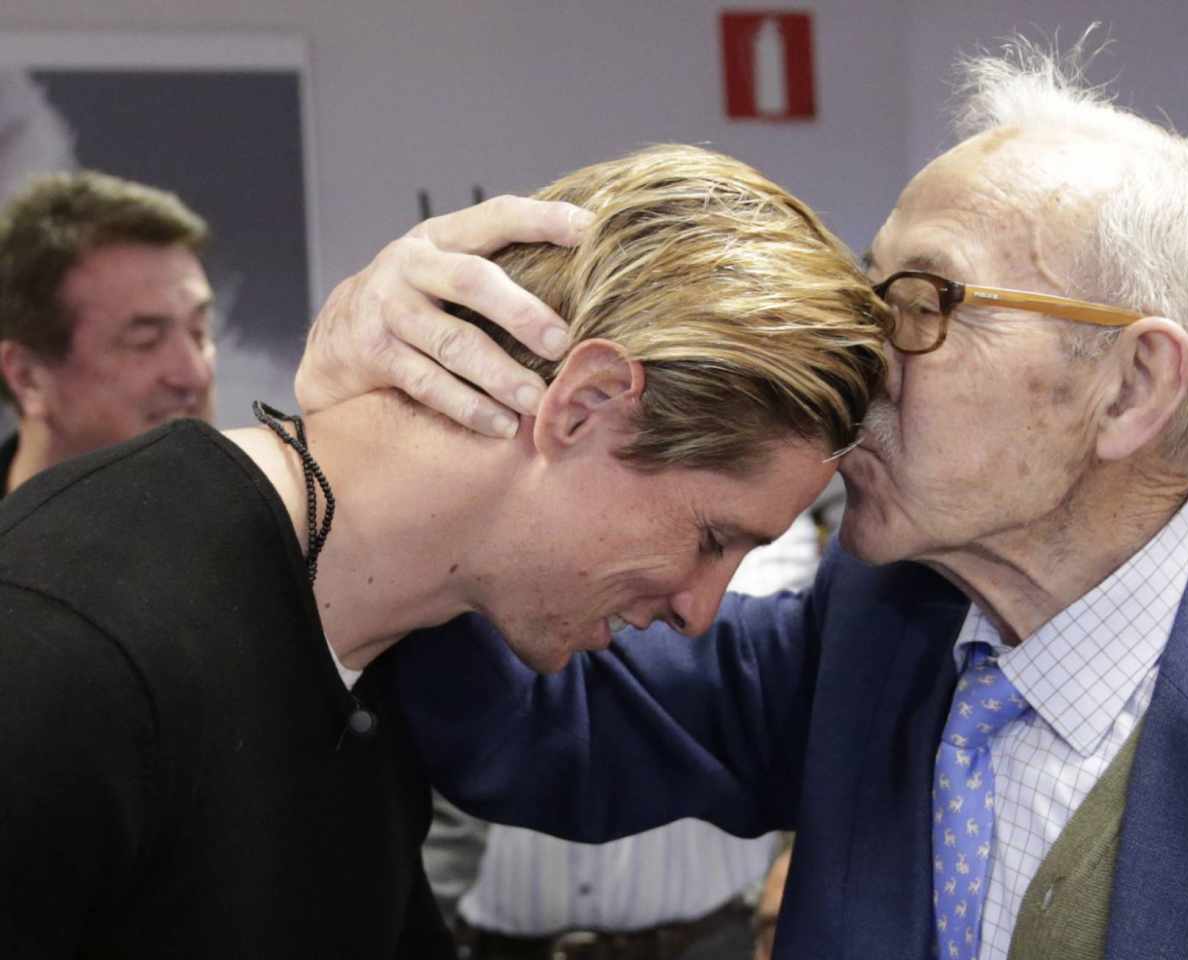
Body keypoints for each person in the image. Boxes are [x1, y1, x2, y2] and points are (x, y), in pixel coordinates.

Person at [297, 38, 1188, 959]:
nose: (858, 356)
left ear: (1130, 386)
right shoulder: (877, 632)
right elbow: (542, 720)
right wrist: (407, 417)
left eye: (920, 303)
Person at [0, 144, 886, 958]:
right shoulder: (63, 648)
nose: (699, 611)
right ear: (584, 403)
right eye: (712, 537)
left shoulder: (386, 640)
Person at [430, 523, 819, 960]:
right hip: (492, 937)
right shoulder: (490, 523)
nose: (695, 609)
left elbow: (806, 715)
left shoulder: (772, 532)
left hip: (707, 938)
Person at [0, 170, 217, 495]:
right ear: (27, 376)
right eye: (145, 343)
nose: (195, 375)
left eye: (198, 332)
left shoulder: (278, 537)